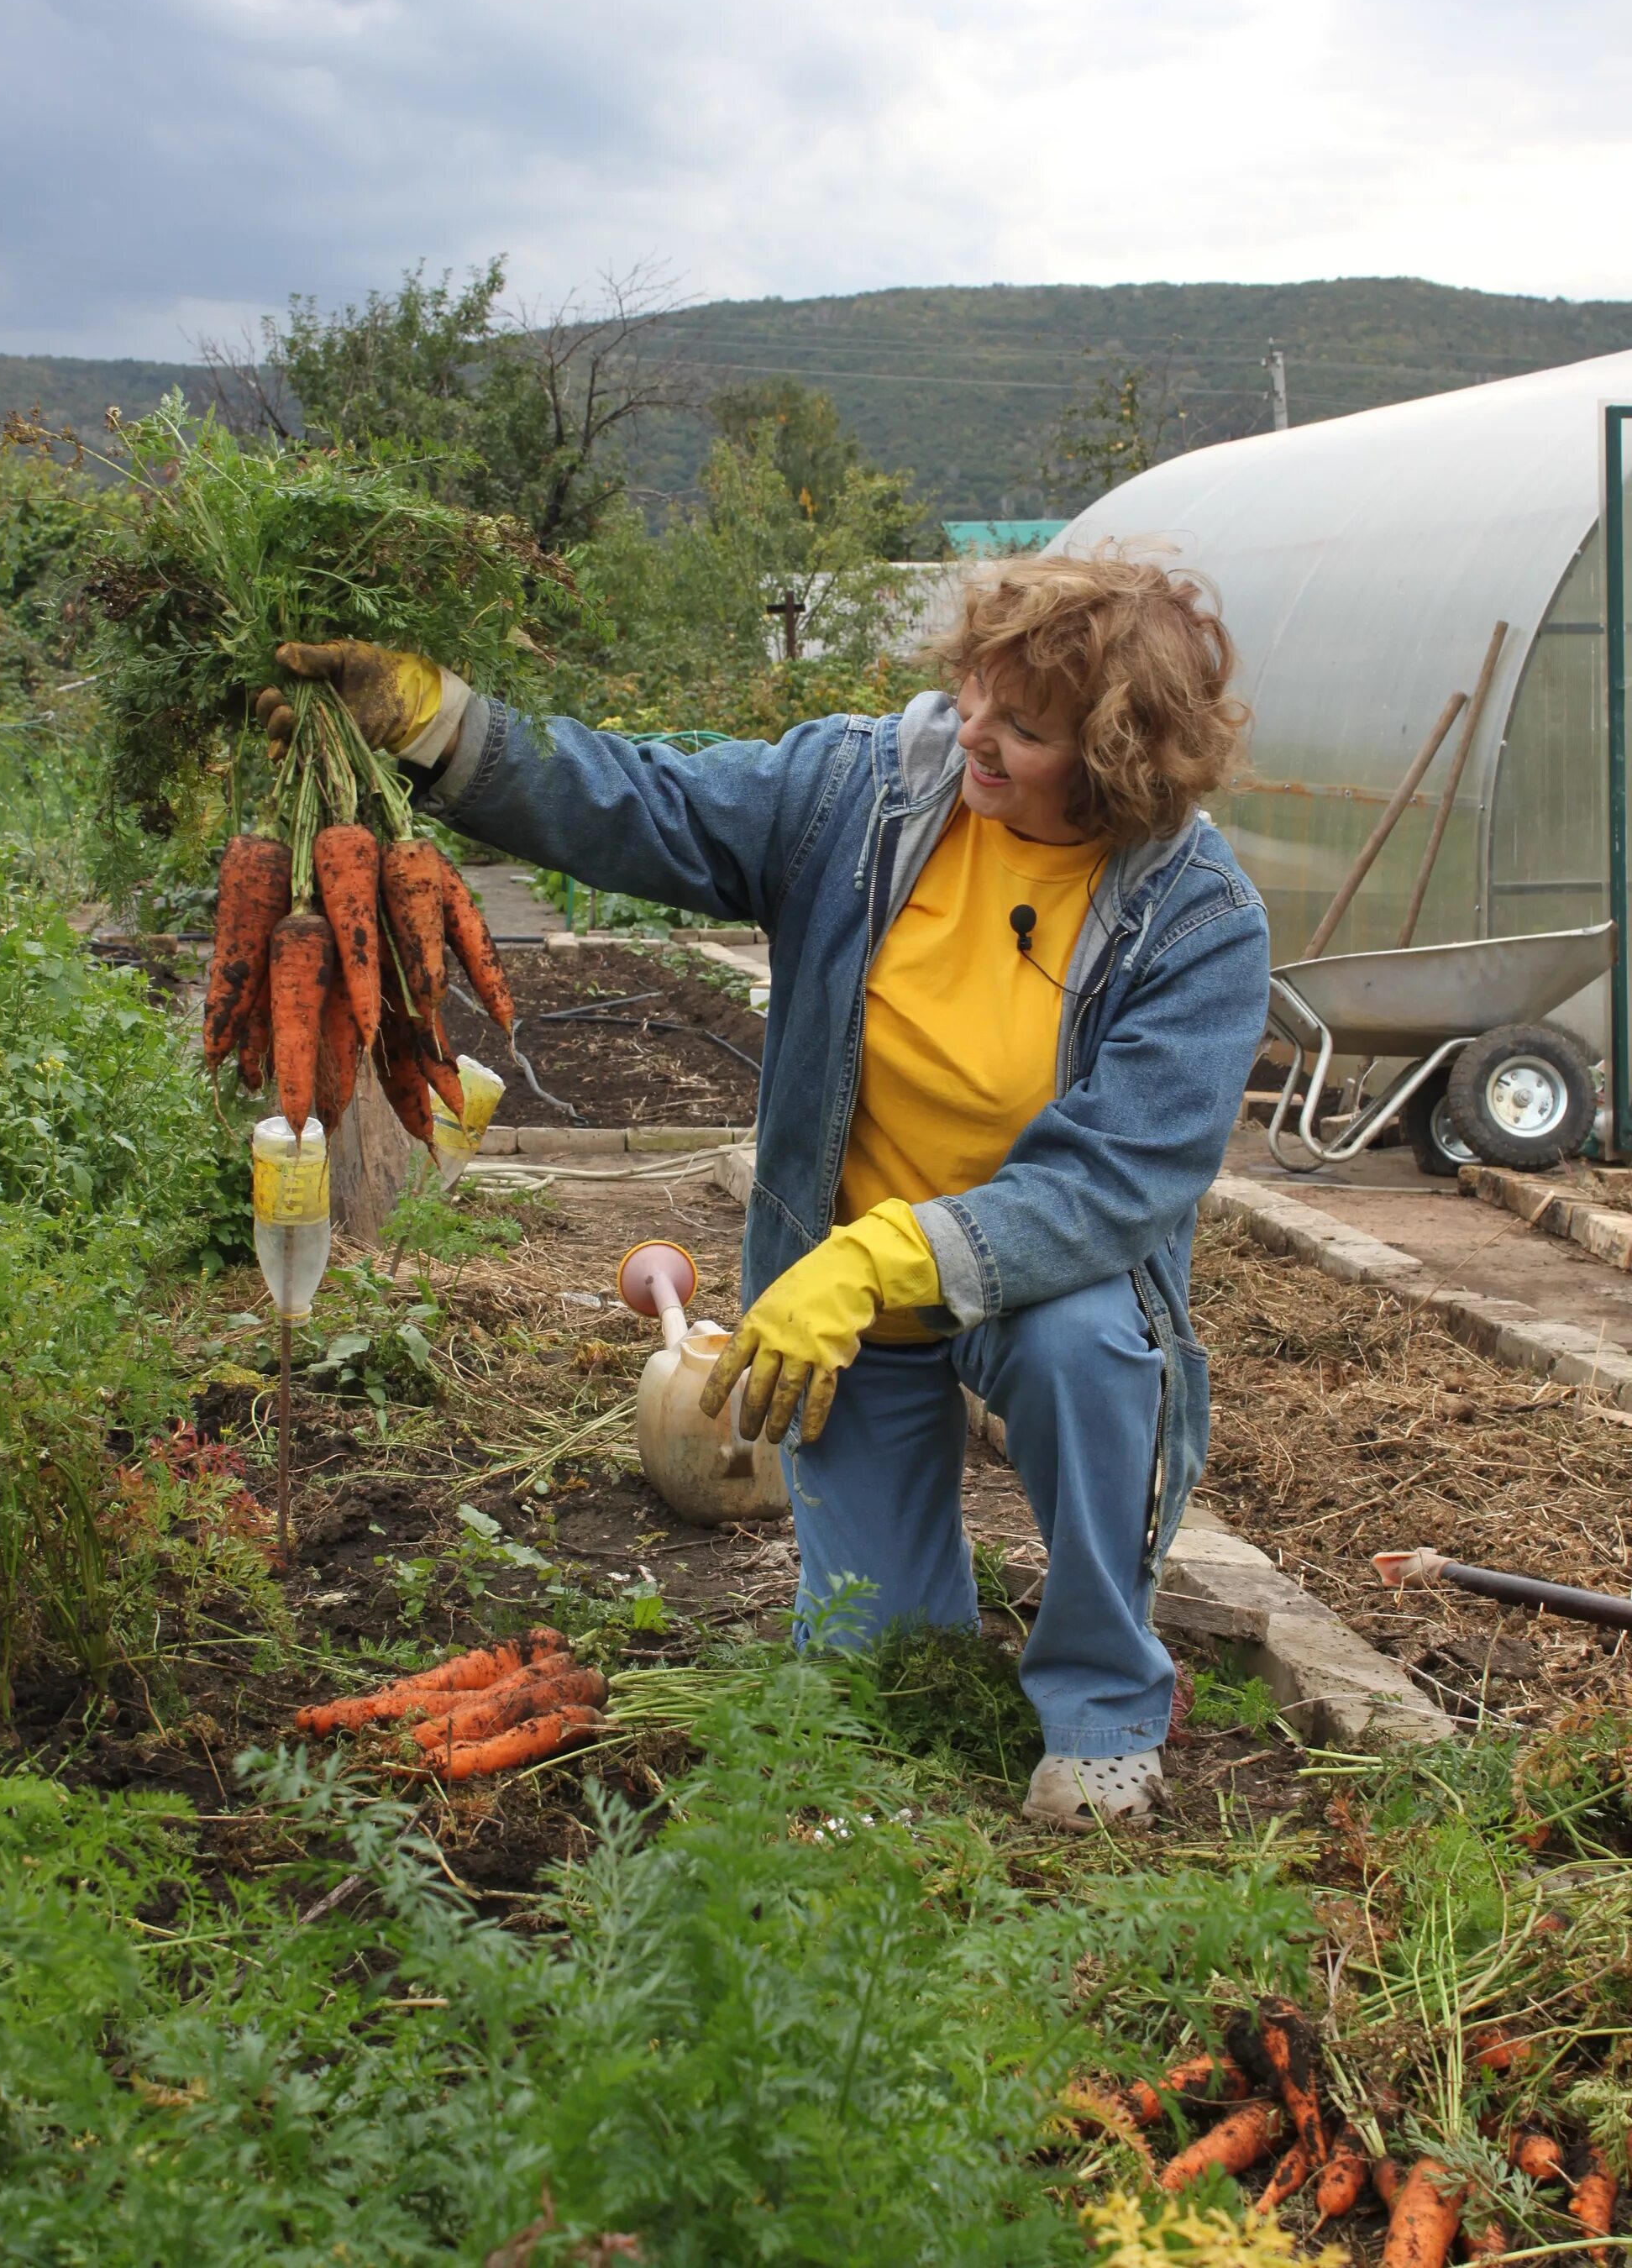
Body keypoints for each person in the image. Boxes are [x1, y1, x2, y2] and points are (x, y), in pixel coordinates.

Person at [262, 549, 1269, 1829]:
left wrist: (873, 1264)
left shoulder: (1195, 918)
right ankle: (927, 1635)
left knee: (1087, 1352)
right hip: (841, 1285)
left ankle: (1101, 1702)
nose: (978, 736)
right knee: (872, 1673)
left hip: (1032, 1278)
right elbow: (646, 803)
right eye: (974, 695)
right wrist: (444, 726)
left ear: (1121, 756)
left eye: (1025, 729)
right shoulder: (864, 790)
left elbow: (1119, 1181)